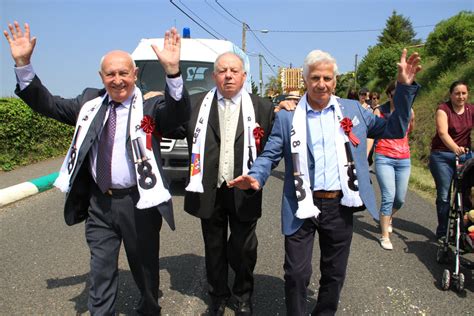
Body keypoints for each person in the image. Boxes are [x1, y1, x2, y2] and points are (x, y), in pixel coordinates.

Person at [4, 21, 190, 315]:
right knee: (100, 270)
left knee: (144, 269)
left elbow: (178, 115)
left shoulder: (151, 107)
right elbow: (48, 104)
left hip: (139, 202)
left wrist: (172, 72)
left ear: (135, 75)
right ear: (101, 77)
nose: (117, 80)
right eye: (111, 74)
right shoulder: (89, 103)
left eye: (124, 73)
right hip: (99, 203)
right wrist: (23, 64)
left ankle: (149, 308)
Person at [229, 48, 421, 315]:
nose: (321, 84)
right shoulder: (287, 117)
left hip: (340, 205)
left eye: (327, 78)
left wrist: (403, 88)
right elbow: (271, 153)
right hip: (300, 203)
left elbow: (395, 128)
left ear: (335, 81)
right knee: (296, 273)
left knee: (334, 273)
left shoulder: (354, 110)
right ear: (306, 80)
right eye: (315, 78)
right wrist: (256, 175)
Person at [168, 52, 274, 315]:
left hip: (243, 189)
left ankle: (243, 294)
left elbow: (273, 148)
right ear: (214, 76)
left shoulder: (263, 107)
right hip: (208, 189)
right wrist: (156, 101)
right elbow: (170, 121)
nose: (228, 75)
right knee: (213, 246)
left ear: (243, 76)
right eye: (223, 70)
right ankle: (217, 295)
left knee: (243, 247)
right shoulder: (195, 104)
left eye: (234, 70)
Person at [373, 81, 415, 250]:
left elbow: (409, 130)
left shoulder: (408, 111)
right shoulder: (379, 111)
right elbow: (372, 132)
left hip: (404, 158)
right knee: (388, 195)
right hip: (384, 157)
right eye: (393, 94)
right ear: (389, 95)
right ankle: (384, 235)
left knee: (400, 199)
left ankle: (388, 216)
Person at [429, 81, 473, 241]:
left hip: (466, 156)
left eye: (464, 93)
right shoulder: (443, 109)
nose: (461, 96)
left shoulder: (471, 110)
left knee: (468, 194)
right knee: (444, 196)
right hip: (442, 156)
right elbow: (442, 132)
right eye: (457, 93)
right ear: (451, 95)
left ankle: (465, 232)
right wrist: (455, 148)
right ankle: (442, 232)